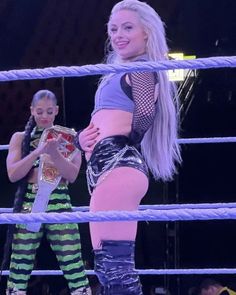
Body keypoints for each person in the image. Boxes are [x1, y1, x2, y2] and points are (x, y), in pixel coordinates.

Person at [74, 0, 181, 294]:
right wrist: (84, 138)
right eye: (114, 29)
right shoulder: (119, 70)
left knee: (114, 268)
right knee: (109, 266)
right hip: (106, 169)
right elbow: (108, 115)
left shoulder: (144, 67)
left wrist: (124, 139)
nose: (118, 34)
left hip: (118, 167)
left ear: (146, 32)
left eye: (127, 27)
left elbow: (146, 111)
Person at [3, 90, 91, 295]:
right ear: (32, 110)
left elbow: (71, 175)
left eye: (49, 111)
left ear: (56, 111)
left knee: (73, 262)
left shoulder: (70, 137)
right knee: (20, 264)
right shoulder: (19, 138)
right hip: (29, 202)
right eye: (40, 111)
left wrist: (54, 154)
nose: (44, 116)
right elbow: (13, 174)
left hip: (59, 200)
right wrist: (37, 151)